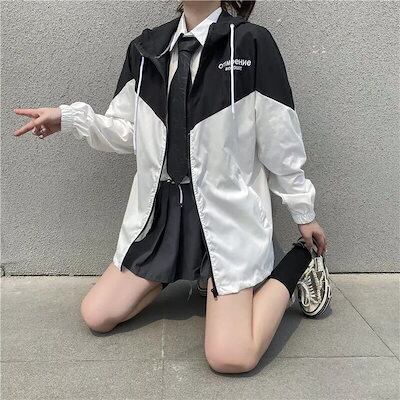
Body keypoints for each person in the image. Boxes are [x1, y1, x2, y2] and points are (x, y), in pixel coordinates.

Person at [13, 0, 331, 373]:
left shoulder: (251, 43)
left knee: (231, 356)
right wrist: (69, 118)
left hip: (225, 215)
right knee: (97, 314)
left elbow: (280, 139)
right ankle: (179, 266)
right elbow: (127, 131)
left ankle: (298, 262)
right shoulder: (146, 49)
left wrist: (303, 213)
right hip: (162, 214)